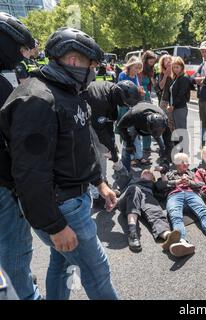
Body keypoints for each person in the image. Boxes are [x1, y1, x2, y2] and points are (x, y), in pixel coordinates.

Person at [0, 27, 119, 300]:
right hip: (62, 207)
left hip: (72, 200)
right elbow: (29, 173)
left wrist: (99, 182)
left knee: (62, 264)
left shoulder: (70, 91)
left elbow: (80, 145)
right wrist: (55, 226)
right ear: (74, 61)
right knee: (97, 271)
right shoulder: (38, 99)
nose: (94, 71)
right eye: (92, 65)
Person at [0, 11, 41, 301]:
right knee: (15, 251)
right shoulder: (2, 85)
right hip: (4, 184)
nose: (21, 55)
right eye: (18, 48)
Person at [81, 80, 143, 178]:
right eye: (124, 103)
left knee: (107, 146)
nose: (124, 105)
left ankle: (104, 179)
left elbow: (110, 122)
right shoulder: (101, 101)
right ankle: (101, 183)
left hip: (96, 113)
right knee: (101, 151)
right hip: (84, 117)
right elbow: (100, 131)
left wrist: (112, 142)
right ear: (119, 96)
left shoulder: (113, 91)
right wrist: (112, 149)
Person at [116, 169, 181, 253]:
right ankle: (132, 234)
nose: (146, 171)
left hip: (147, 196)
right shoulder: (132, 180)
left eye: (149, 173)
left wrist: (162, 172)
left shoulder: (153, 185)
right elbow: (122, 172)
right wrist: (116, 161)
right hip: (128, 198)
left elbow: (165, 184)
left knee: (155, 211)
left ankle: (168, 236)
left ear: (153, 179)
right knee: (134, 189)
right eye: (144, 172)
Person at [116, 101, 172, 171]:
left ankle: (164, 163)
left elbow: (169, 144)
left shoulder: (164, 121)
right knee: (127, 146)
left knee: (163, 145)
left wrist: (165, 162)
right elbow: (120, 126)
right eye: (154, 132)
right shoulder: (134, 115)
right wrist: (128, 141)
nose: (155, 135)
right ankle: (124, 170)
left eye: (160, 131)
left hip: (151, 118)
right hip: (138, 123)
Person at [118, 56, 145, 165]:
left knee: (136, 131)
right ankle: (130, 156)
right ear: (130, 66)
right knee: (127, 132)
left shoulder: (136, 77)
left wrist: (141, 92)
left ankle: (139, 155)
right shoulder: (122, 75)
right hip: (124, 106)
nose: (137, 70)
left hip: (133, 106)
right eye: (135, 67)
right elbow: (121, 90)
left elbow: (137, 91)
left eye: (139, 68)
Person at [140, 50, 158, 152]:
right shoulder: (140, 69)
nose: (153, 63)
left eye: (154, 61)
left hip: (147, 97)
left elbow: (152, 85)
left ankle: (146, 146)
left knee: (148, 122)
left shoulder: (150, 69)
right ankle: (137, 146)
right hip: (140, 97)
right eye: (151, 60)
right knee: (140, 122)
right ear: (146, 59)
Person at [168, 56, 191, 130]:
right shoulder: (176, 77)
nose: (175, 69)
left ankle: (184, 142)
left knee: (181, 130)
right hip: (175, 107)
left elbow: (181, 94)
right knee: (178, 130)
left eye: (177, 67)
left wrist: (173, 105)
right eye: (174, 67)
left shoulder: (184, 77)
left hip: (180, 107)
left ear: (182, 67)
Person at [157, 54, 175, 131]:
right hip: (164, 100)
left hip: (174, 101)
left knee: (172, 122)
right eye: (165, 60)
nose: (168, 62)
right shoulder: (161, 73)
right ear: (162, 63)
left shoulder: (175, 71)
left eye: (169, 60)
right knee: (163, 121)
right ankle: (165, 140)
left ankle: (173, 140)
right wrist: (165, 75)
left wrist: (171, 73)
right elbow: (161, 87)